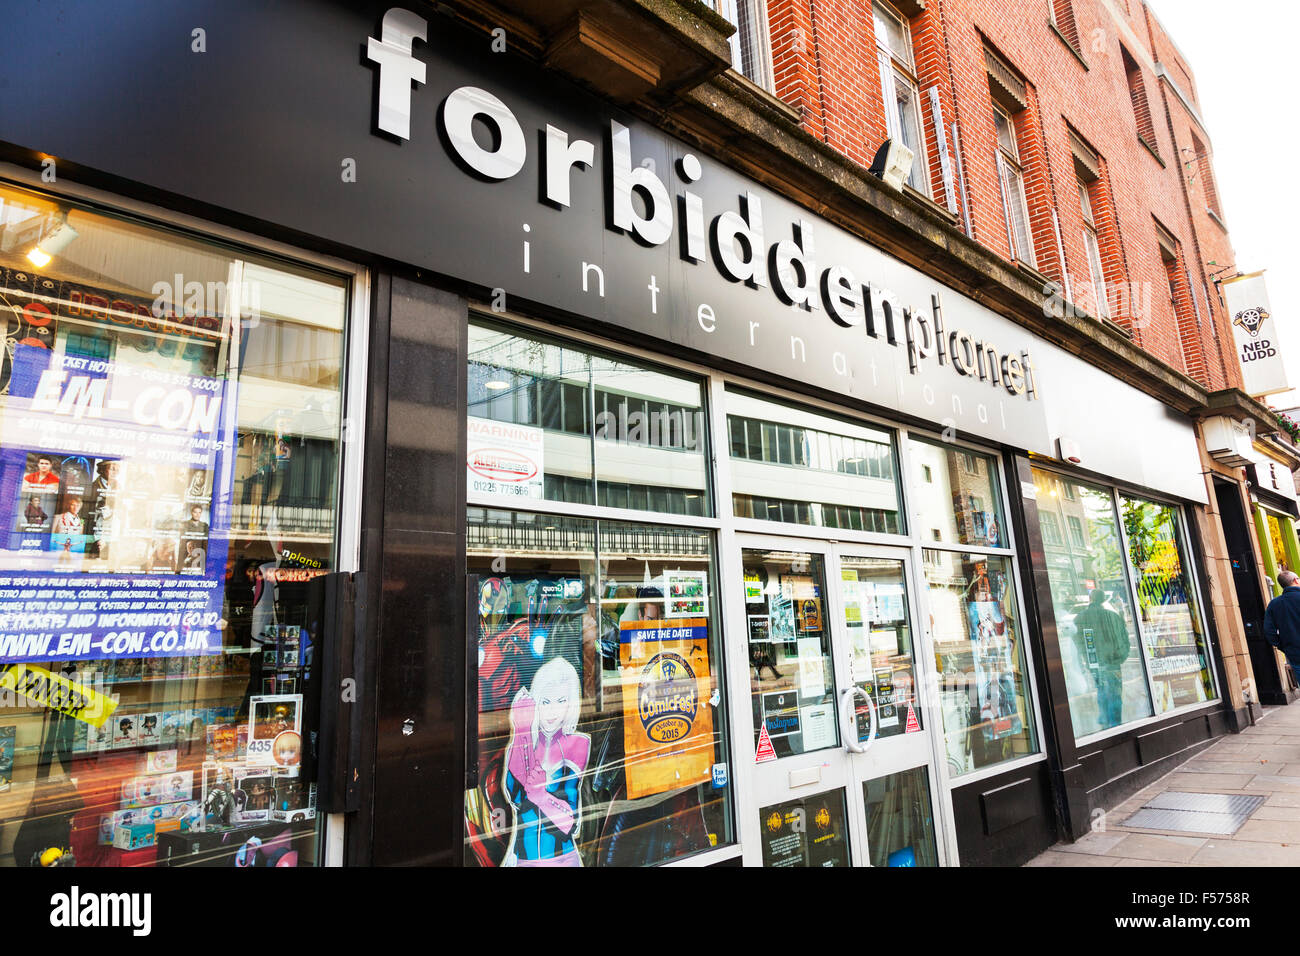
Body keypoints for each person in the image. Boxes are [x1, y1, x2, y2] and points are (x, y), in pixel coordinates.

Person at [502, 657, 589, 867]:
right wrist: (522, 730)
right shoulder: (525, 741)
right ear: (536, 702)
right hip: (523, 859)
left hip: (564, 860)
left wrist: (542, 798)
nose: (553, 711)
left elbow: (569, 823)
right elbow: (516, 798)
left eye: (562, 702)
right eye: (546, 702)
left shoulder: (578, 744)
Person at [1072, 589, 1130, 728]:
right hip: (1113, 663)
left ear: (1090, 599)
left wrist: (1084, 661)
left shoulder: (1080, 618)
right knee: (1114, 694)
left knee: (1102, 690)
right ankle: (1115, 726)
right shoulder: (1113, 616)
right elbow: (1125, 640)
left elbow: (1077, 645)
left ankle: (1104, 723)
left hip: (1094, 664)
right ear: (1103, 600)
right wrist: (1120, 658)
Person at [1264, 570, 1300, 684]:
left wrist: (1282, 646)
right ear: (1295, 580)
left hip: (1294, 652)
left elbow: (1269, 631)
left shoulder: (1274, 604)